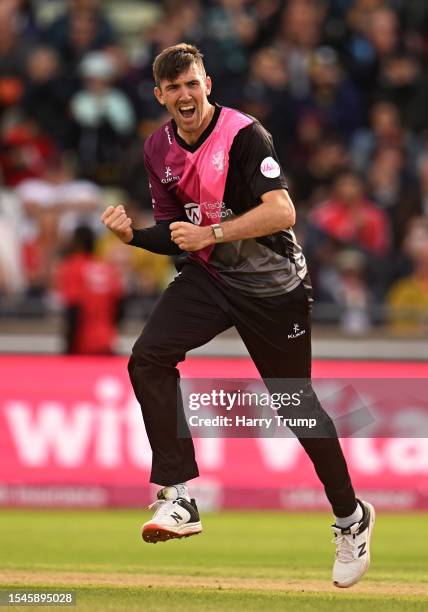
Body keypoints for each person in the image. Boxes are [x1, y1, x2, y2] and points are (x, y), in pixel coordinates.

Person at [101, 43, 375, 589]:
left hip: (273, 284)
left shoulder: (245, 135)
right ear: (160, 96)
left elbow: (283, 210)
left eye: (192, 84)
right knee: (147, 358)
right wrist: (133, 235)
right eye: (173, 87)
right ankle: (178, 497)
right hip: (210, 277)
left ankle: (351, 518)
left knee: (295, 404)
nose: (184, 95)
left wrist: (214, 233)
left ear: (208, 84)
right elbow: (176, 231)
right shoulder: (158, 149)